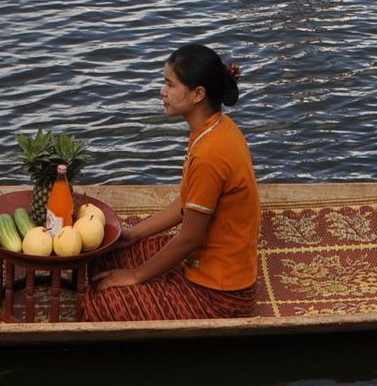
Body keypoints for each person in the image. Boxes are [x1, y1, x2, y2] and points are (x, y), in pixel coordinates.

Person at [80, 44, 257, 322]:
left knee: (103, 303)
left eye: (170, 84)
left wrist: (136, 276)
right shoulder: (216, 128)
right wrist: (135, 234)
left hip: (220, 293)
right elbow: (188, 203)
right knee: (110, 256)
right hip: (200, 265)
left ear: (198, 94)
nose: (162, 92)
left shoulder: (211, 153)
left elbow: (189, 238)